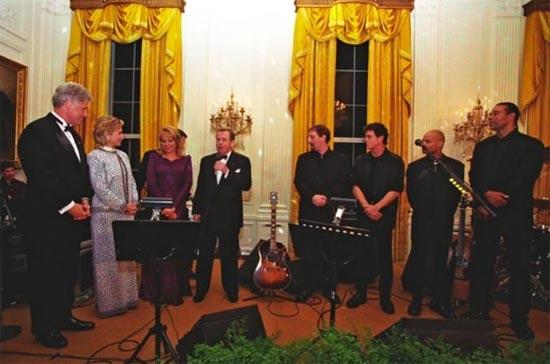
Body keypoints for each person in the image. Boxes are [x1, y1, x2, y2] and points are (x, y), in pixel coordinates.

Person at [18, 82, 95, 348]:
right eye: (83, 109)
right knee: (45, 274)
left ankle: (63, 317)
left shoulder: (75, 135)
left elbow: (80, 173)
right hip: (46, 220)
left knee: (66, 271)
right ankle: (44, 328)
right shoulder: (36, 132)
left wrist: (84, 200)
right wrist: (67, 205)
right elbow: (41, 177)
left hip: (70, 219)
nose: (85, 114)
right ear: (68, 104)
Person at [469, 102, 543, 340]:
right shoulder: (483, 146)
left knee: (519, 268)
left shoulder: (531, 146)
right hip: (485, 213)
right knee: (481, 264)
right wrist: (483, 199)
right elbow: (474, 177)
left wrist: (500, 197)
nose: (490, 117)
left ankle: (519, 320)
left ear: (512, 116)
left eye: (495, 113)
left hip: (516, 215)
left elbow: (525, 177)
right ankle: (479, 311)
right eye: (490, 114)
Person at [403, 130, 464, 318]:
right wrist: (423, 211)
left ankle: (440, 301)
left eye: (428, 141)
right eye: (423, 141)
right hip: (422, 219)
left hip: (444, 220)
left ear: (440, 143)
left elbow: (457, 192)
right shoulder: (414, 167)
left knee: (440, 259)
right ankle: (416, 299)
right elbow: (411, 194)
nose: (424, 144)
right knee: (419, 257)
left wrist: (445, 213)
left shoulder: (455, 166)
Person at [346, 123, 404, 314]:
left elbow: (396, 189)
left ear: (381, 138)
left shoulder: (395, 161)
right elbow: (354, 186)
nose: (366, 139)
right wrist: (366, 207)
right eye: (366, 136)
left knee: (384, 257)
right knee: (360, 254)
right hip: (364, 214)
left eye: (369, 136)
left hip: (384, 216)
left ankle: (385, 298)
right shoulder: (361, 160)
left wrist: (377, 207)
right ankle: (360, 293)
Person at [87, 116, 139, 318]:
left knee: (125, 258)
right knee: (107, 260)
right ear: (107, 135)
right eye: (119, 132)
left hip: (126, 215)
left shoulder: (123, 155)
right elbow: (99, 187)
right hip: (105, 216)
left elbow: (132, 181)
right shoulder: (94, 157)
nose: (122, 135)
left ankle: (127, 299)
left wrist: (133, 203)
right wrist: (121, 205)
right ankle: (110, 304)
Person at [293, 124, 351, 302]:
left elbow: (344, 183)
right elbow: (299, 181)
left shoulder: (341, 159)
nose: (309, 140)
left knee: (331, 250)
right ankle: (308, 286)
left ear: (324, 137)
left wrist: (326, 197)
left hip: (330, 210)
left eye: (312, 137)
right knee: (309, 249)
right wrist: (312, 197)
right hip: (309, 209)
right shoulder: (303, 159)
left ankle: (330, 288)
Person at [192, 129, 251, 303]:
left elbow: (246, 185)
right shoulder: (206, 161)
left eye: (224, 139)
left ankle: (231, 290)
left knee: (229, 256)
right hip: (208, 215)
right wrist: (196, 210)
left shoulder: (243, 161)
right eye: (218, 139)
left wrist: (226, 171)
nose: (220, 142)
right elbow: (200, 188)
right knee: (204, 255)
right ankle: (201, 290)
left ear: (232, 142)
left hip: (229, 217)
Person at [141, 126, 193, 303]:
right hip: (157, 211)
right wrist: (163, 207)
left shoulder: (186, 160)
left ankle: (174, 291)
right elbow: (151, 183)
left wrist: (174, 209)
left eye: (170, 140)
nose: (167, 144)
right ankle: (155, 291)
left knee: (176, 252)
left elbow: (187, 185)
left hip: (177, 213)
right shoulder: (154, 158)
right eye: (163, 141)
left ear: (177, 141)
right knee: (157, 250)